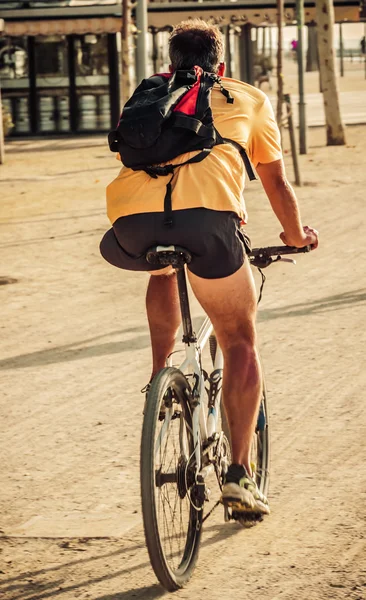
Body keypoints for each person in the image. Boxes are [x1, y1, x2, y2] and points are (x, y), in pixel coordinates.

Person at [100, 19, 318, 517]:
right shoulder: (246, 97)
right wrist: (293, 235)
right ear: (221, 64)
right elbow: (276, 184)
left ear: (170, 60)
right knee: (239, 338)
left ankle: (160, 381)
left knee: (162, 268)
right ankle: (240, 476)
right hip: (206, 223)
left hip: (132, 223)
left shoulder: (150, 95)